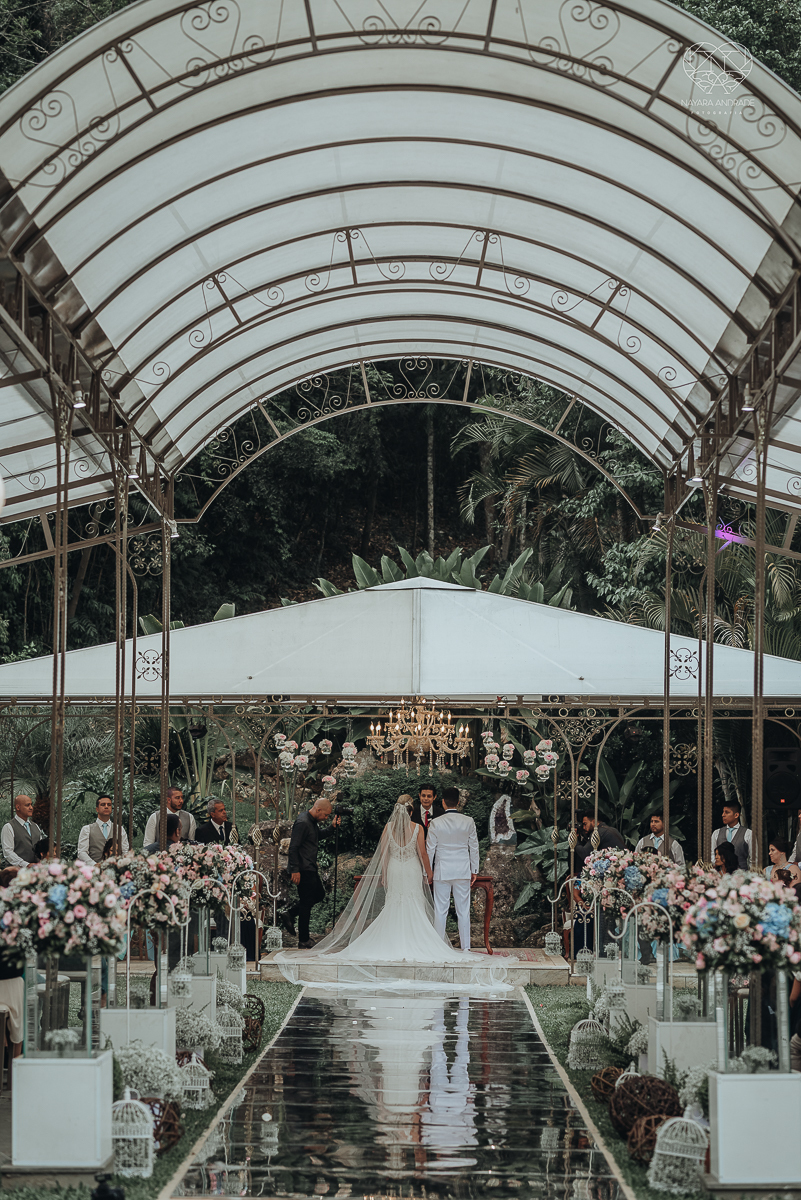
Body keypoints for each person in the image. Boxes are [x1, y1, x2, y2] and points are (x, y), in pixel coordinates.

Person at [274, 795, 509, 989]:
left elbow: (384, 853)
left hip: (396, 870)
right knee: (413, 904)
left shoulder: (387, 828)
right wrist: (428, 873)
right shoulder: (417, 827)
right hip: (411, 870)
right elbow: (423, 854)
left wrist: (385, 872)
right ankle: (431, 943)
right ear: (410, 810)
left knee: (394, 904)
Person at [426, 787, 479, 951]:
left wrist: (428, 871)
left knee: (441, 911)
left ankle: (438, 948)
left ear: (442, 802)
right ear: (458, 802)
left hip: (442, 870)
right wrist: (474, 870)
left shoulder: (435, 823)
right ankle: (466, 949)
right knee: (463, 911)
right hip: (462, 870)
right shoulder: (468, 821)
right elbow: (474, 847)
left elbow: (430, 850)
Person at [288, 797, 339, 949]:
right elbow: (293, 847)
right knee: (306, 903)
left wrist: (332, 827)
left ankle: (290, 913)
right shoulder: (303, 822)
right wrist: (295, 870)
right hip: (303, 869)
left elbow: (318, 836)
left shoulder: (311, 822)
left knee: (318, 895)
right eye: (325, 815)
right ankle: (304, 940)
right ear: (318, 810)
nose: (326, 818)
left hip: (310, 867)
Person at [0, 867, 24, 1065]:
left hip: (10, 975)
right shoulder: (18, 912)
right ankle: (16, 1061)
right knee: (18, 1023)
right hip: (12, 977)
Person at [77, 794, 129, 864]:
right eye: (103, 804)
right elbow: (82, 852)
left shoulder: (120, 829)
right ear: (97, 809)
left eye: (109, 805)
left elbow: (125, 851)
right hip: (93, 871)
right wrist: (94, 865)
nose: (106, 807)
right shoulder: (87, 829)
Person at [711, 801, 757, 870]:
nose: (723, 815)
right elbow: (711, 854)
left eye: (727, 812)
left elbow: (754, 859)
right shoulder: (716, 833)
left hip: (741, 876)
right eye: (723, 812)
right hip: (720, 876)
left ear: (736, 815)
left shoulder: (748, 833)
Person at [1, 795, 44, 867]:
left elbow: (41, 848)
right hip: (16, 873)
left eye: (31, 804)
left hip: (36, 872)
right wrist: (26, 865)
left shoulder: (35, 826)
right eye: (27, 805)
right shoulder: (9, 827)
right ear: (18, 807)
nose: (31, 808)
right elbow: (8, 852)